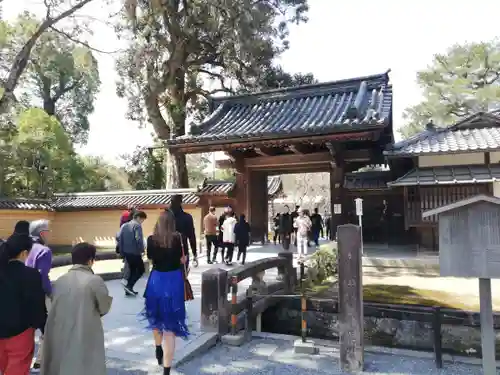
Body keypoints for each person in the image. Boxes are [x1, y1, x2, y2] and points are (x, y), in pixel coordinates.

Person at [41, 242, 112, 375]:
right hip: (85, 331)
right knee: (85, 365)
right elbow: (104, 307)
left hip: (60, 330)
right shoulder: (94, 281)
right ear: (91, 261)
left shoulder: (60, 281)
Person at [142, 211, 189, 375]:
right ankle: (167, 370)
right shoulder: (180, 238)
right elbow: (184, 259)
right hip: (174, 281)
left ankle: (157, 347)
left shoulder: (151, 239)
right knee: (171, 326)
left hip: (156, 280)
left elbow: (150, 258)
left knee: (155, 316)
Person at [0, 234, 47, 375]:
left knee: (4, 368)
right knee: (17, 370)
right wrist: (43, 326)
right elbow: (37, 305)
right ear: (24, 253)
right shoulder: (30, 274)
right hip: (21, 333)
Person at [26, 219, 53, 370]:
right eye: (48, 231)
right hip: (39, 297)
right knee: (47, 329)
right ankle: (39, 361)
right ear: (42, 233)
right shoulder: (44, 251)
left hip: (22, 295)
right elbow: (43, 276)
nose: (49, 234)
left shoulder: (24, 248)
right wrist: (51, 293)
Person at [118, 210, 147, 296]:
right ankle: (129, 286)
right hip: (135, 252)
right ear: (138, 218)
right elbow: (138, 239)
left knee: (133, 270)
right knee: (141, 270)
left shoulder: (124, 226)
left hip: (127, 252)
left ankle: (128, 290)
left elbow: (120, 240)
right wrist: (142, 249)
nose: (142, 222)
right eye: (142, 220)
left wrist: (122, 252)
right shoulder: (137, 226)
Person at [170, 195, 198, 269]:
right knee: (182, 276)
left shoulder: (164, 217)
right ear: (181, 203)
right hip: (182, 252)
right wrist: (194, 253)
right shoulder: (187, 217)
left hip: (167, 252)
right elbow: (192, 237)